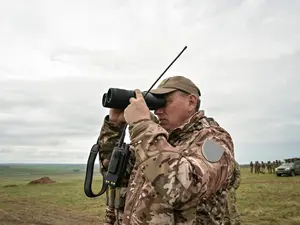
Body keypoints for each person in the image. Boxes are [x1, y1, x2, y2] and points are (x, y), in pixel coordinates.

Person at [98, 75, 236, 224]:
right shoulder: (156, 139)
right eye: (155, 104)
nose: (158, 111)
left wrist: (142, 125)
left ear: (191, 102)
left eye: (164, 102)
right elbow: (113, 169)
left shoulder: (215, 141)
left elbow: (184, 189)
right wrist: (114, 127)